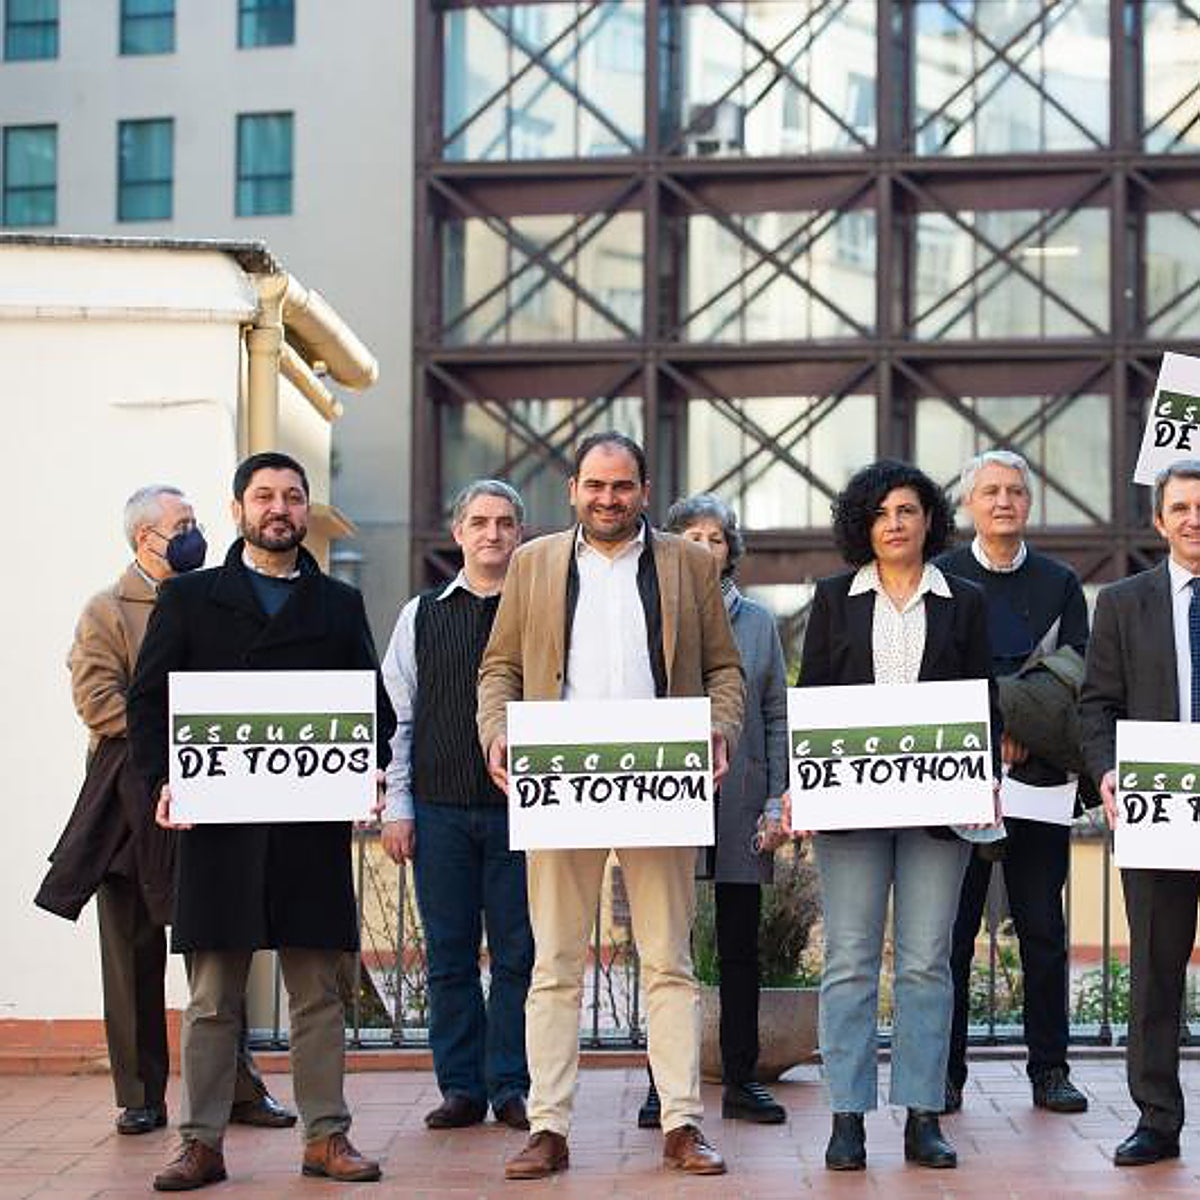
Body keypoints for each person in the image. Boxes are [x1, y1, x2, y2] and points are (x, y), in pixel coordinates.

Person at [477, 432, 744, 1181]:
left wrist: (717, 731)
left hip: (660, 781)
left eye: (621, 486)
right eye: (595, 485)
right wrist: (498, 733)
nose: (607, 498)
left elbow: (725, 670)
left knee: (668, 962)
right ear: (573, 490)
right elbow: (498, 666)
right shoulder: (533, 564)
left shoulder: (688, 564)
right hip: (560, 783)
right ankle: (549, 1127)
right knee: (555, 965)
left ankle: (682, 1123)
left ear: (644, 490)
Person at [127, 452, 395, 1191]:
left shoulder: (338, 605)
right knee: (213, 998)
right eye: (265, 496)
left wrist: (365, 764)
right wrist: (164, 780)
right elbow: (148, 706)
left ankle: (326, 1138)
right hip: (219, 831)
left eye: (294, 497)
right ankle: (202, 1143)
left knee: (319, 994)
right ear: (240, 508)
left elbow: (374, 713)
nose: (279, 509)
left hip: (308, 832)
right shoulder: (190, 601)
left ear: (307, 511)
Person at [35, 484, 294, 1138]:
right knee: (131, 954)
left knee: (218, 948)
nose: (195, 533)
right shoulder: (106, 610)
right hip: (129, 803)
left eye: (196, 522)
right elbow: (98, 701)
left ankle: (237, 1088)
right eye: (182, 525)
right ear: (143, 538)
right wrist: (184, 731)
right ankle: (139, 1095)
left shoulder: (213, 599)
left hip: (213, 798)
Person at [794, 459, 998, 1172]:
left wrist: (986, 780)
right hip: (852, 805)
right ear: (863, 525)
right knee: (848, 963)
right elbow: (812, 698)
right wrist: (804, 784)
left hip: (940, 808)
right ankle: (846, 1118)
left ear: (929, 520)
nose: (895, 524)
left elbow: (983, 698)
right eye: (881, 513)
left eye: (907, 510)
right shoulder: (833, 599)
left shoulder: (963, 600)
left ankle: (922, 1114)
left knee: (925, 965)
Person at [935, 450, 1089, 1116]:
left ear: (1029, 504)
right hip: (958, 778)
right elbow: (933, 668)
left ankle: (1050, 1071)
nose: (1004, 501)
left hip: (1039, 779)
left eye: (1016, 491)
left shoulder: (1060, 583)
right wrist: (998, 720)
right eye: (991, 491)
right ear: (969, 503)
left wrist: (1027, 724)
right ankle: (944, 1074)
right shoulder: (942, 577)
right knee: (951, 931)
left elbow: (1077, 671)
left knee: (1042, 931)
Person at [379, 479, 534, 1132]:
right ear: (458, 533)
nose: (492, 533)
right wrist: (398, 805)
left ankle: (511, 1087)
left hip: (523, 813)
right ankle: (461, 1088)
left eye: (503, 522)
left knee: (519, 958)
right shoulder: (420, 615)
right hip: (439, 812)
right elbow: (399, 721)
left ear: (519, 533)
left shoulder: (540, 613)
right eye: (479, 522)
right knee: (447, 957)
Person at [635, 494, 788, 1129]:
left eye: (717, 537)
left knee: (739, 945)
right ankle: (662, 1084)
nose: (704, 546)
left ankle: (742, 1078)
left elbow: (778, 711)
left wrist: (779, 797)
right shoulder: (648, 612)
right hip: (663, 795)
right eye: (691, 535)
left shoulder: (758, 622)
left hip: (741, 799)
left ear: (731, 550)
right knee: (665, 945)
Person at [1080, 459, 1200, 1167]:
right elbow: (1097, 704)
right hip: (1159, 808)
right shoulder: (1123, 603)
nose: (1194, 518)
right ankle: (1157, 1119)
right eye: (1180, 507)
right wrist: (1108, 772)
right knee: (1154, 971)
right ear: (1159, 522)